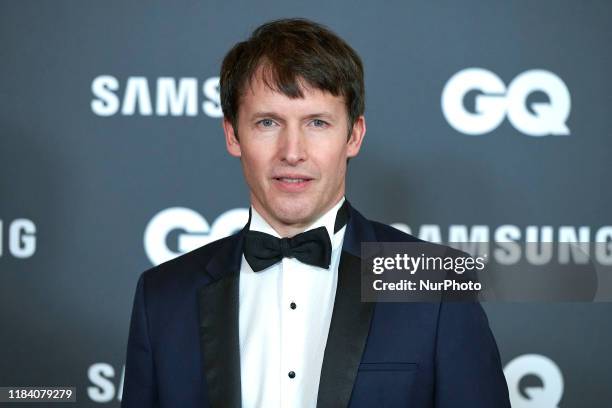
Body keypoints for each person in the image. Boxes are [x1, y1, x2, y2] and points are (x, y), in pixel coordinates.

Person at [121, 18, 510, 408]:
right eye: (268, 122)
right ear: (232, 135)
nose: (292, 151)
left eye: (317, 123)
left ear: (353, 135)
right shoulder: (163, 298)